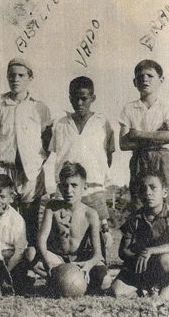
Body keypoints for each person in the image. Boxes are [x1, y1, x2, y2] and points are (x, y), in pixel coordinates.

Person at [49, 76, 114, 252]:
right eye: (74, 98)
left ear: (93, 98)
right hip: (66, 190)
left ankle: (98, 272)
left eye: (84, 98)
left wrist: (96, 177)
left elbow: (108, 154)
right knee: (64, 235)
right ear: (69, 97)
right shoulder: (61, 124)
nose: (79, 102)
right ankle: (64, 275)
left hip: (93, 188)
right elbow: (57, 153)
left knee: (98, 237)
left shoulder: (102, 123)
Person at [0, 58, 53, 247]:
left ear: (30, 78)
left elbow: (47, 140)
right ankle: (9, 271)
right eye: (11, 75)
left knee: (30, 221)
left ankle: (28, 268)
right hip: (5, 170)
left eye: (21, 75)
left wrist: (36, 163)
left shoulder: (39, 107)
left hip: (31, 173)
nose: (16, 79)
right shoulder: (0, 106)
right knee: (5, 220)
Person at [25, 162, 110, 294]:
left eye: (74, 185)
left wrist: (88, 265)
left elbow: (97, 253)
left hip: (80, 260)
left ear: (84, 187)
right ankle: (55, 277)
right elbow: (41, 240)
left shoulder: (90, 214)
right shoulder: (52, 207)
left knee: (105, 282)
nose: (69, 190)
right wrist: (49, 262)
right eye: (65, 185)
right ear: (59, 187)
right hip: (57, 259)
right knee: (30, 253)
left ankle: (71, 281)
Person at [111, 171, 169, 299]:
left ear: (164, 192)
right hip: (141, 264)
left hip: (164, 261)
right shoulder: (134, 219)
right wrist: (140, 255)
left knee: (167, 262)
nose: (148, 192)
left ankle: (165, 286)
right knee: (116, 292)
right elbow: (123, 251)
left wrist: (150, 251)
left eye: (153, 187)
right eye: (143, 189)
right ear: (140, 194)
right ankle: (144, 288)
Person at [119, 60, 169, 209]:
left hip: (163, 158)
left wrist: (138, 134)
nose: (144, 79)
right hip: (139, 159)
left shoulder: (168, 105)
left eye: (150, 76)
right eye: (140, 77)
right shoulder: (129, 109)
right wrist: (159, 134)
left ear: (161, 80)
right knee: (139, 202)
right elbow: (124, 144)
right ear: (134, 82)